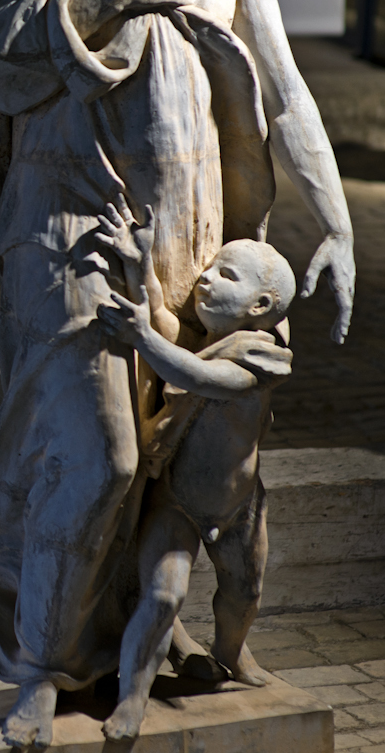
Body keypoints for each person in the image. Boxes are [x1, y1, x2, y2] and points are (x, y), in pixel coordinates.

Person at [0, 0, 355, 748]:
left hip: (196, 239)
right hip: (71, 227)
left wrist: (335, 221)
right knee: (102, 464)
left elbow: (283, 88)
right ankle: (39, 668)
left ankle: (126, 641)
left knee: (167, 466)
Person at [93, 200, 292, 740]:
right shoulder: (202, 341)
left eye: (226, 276)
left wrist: (143, 338)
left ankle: (231, 654)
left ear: (260, 306)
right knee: (162, 596)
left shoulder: (260, 359)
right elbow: (161, 318)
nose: (205, 277)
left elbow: (204, 379)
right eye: (211, 267)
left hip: (239, 508)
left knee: (243, 594)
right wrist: (140, 264)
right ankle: (132, 699)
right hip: (178, 499)